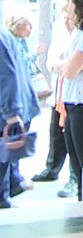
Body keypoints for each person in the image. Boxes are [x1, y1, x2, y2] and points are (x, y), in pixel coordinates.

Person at [52, 0, 83, 201]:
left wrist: (62, 65)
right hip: (71, 102)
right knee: (76, 161)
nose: (66, 5)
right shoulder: (78, 32)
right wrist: (63, 65)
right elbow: (62, 63)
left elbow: (69, 70)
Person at [32, 6, 76, 191]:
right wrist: (64, 65)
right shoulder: (60, 33)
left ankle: (74, 176)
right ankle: (52, 168)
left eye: (69, 18)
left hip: (74, 94)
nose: (66, 22)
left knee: (73, 136)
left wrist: (65, 65)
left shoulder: (82, 34)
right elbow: (52, 62)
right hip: (59, 92)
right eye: (64, 17)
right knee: (55, 131)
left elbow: (76, 66)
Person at [1, 19, 40, 209]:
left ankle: (5, 195)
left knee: (4, 155)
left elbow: (6, 76)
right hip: (13, 106)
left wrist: (11, 113)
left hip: (9, 109)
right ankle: (13, 184)